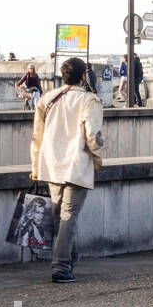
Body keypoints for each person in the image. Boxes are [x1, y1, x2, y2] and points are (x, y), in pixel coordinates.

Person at [29, 57, 104, 283]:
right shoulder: (90, 100)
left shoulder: (47, 98)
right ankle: (61, 267)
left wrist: (35, 166)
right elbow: (93, 136)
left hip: (51, 163)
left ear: (64, 75)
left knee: (58, 214)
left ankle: (69, 259)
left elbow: (37, 135)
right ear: (83, 76)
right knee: (68, 215)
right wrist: (97, 155)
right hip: (76, 164)